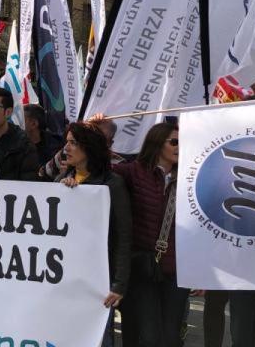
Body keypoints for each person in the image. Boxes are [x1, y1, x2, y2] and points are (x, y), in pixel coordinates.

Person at [57, 121, 131, 347]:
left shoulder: (112, 184)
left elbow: (123, 235)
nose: (66, 148)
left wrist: (119, 284)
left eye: (73, 143)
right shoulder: (61, 181)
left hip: (98, 280)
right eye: (66, 142)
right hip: (65, 277)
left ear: (88, 148)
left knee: (99, 337)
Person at [114, 121, 188, 347]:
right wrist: (70, 182)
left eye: (184, 142)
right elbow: (95, 174)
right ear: (157, 143)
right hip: (142, 269)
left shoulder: (192, 176)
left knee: (171, 338)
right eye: (174, 142)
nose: (180, 146)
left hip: (177, 270)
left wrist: (202, 271)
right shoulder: (133, 172)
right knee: (148, 337)